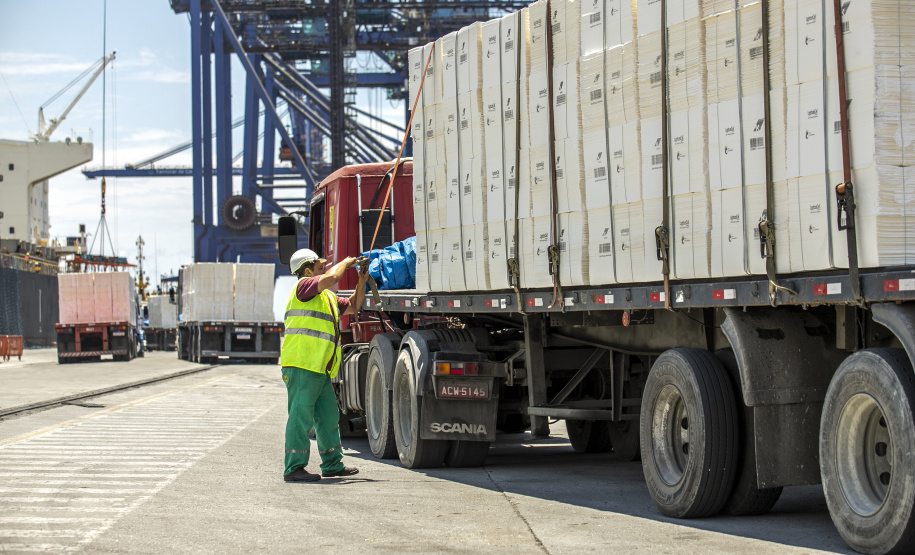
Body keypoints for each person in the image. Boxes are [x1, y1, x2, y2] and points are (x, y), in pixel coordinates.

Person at [281, 248, 368, 482]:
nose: (324, 266)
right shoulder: (303, 288)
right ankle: (294, 468)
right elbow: (333, 278)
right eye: (319, 265)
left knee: (328, 418)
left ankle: (332, 464)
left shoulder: (326, 297)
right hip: (301, 366)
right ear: (307, 270)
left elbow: (353, 306)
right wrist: (346, 262)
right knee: (300, 418)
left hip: (319, 370)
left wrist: (361, 280)